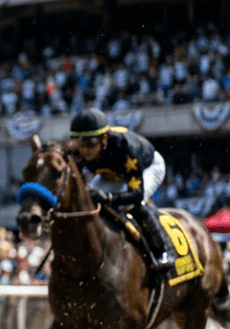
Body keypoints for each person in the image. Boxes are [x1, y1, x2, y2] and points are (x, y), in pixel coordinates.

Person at [68, 107, 175, 275]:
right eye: (81, 143)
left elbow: (136, 194)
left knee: (134, 205)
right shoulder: (77, 152)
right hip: (112, 173)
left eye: (91, 143)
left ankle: (164, 250)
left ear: (104, 139)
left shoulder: (126, 149)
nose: (85, 149)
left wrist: (108, 198)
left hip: (147, 167)